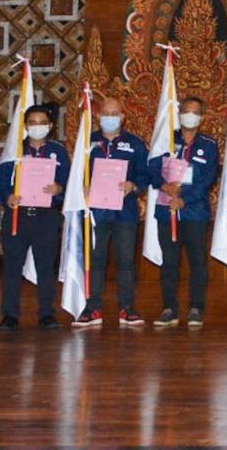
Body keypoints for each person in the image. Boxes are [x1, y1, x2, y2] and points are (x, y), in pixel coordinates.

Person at [73, 97, 150, 327]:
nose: (110, 117)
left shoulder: (135, 144)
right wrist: (82, 187)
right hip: (94, 212)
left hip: (124, 213)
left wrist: (133, 186)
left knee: (126, 261)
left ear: (123, 116)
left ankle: (127, 308)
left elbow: (145, 176)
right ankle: (92, 308)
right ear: (98, 116)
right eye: (106, 113)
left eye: (115, 113)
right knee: (94, 260)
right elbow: (74, 173)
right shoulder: (87, 143)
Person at [148, 96, 219, 328]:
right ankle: (169, 308)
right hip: (166, 210)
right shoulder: (166, 140)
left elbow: (207, 179)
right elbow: (152, 169)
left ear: (202, 116)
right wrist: (163, 185)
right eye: (186, 111)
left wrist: (185, 199)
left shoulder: (209, 145)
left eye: (195, 112)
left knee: (197, 260)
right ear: (179, 114)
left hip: (194, 213)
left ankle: (196, 307)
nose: (190, 115)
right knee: (169, 261)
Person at [0, 104, 68, 331]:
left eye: (42, 123)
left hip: (46, 217)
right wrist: (7, 197)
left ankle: (46, 313)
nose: (37, 127)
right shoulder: (14, 151)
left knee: (46, 267)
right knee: (12, 267)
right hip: (18, 215)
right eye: (33, 123)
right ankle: (10, 315)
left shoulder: (59, 151)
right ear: (25, 126)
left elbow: (68, 181)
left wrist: (59, 189)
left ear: (51, 125)